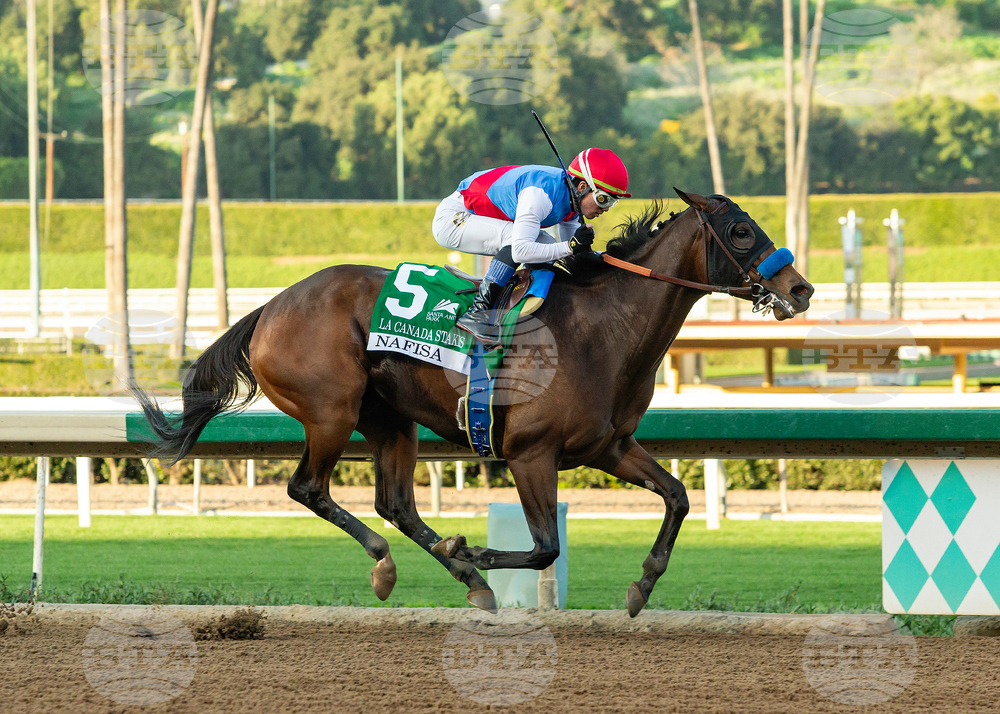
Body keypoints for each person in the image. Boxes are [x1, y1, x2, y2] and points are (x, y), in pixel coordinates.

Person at [432, 148, 631, 344]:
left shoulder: (573, 200)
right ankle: (478, 313)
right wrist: (571, 246)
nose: (605, 209)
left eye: (612, 202)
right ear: (582, 187)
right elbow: (521, 251)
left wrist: (607, 260)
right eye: (603, 199)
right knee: (518, 240)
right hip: (454, 218)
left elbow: (575, 256)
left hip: (477, 215)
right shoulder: (540, 195)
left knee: (547, 245)